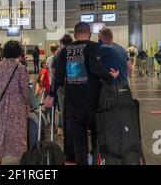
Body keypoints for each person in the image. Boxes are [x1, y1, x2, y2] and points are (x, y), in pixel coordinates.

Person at [45, 22, 119, 165]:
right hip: (93, 103)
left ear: (74, 35)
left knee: (79, 143)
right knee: (97, 138)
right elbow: (96, 69)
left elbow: (58, 77)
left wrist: (51, 94)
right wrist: (111, 76)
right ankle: (97, 159)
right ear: (90, 34)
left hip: (73, 105)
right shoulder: (93, 47)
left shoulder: (65, 51)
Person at [0, 41, 30, 165]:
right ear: (18, 52)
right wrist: (28, 104)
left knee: (0, 130)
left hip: (1, 102)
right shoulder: (21, 68)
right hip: (17, 103)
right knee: (18, 131)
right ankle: (20, 158)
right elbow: (24, 88)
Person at [52, 34, 73, 138]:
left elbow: (54, 71)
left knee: (62, 107)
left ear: (62, 43)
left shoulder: (57, 55)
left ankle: (62, 128)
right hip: (73, 83)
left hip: (61, 84)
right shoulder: (74, 53)